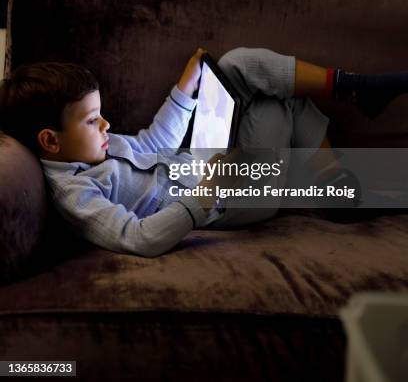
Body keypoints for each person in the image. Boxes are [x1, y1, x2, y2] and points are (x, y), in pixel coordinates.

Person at [0, 47, 407, 257]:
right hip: (231, 200)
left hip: (204, 163)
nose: (106, 125)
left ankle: (350, 114)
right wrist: (207, 192)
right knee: (271, 90)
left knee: (246, 75)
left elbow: (152, 144)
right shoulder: (77, 196)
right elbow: (138, 239)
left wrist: (185, 90)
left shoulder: (96, 148)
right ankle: (340, 157)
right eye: (92, 120)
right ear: (50, 140)